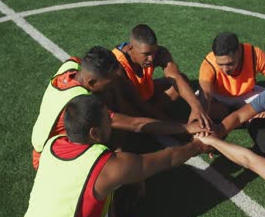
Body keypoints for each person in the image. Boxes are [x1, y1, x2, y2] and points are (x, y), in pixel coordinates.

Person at [22, 95, 210, 217]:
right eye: (107, 121)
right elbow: (167, 159)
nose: (111, 124)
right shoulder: (108, 167)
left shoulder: (52, 143)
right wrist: (197, 146)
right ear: (94, 133)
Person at [31, 46, 207, 169]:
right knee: (119, 167)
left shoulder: (71, 65)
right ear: (91, 82)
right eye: (107, 83)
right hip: (49, 158)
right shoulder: (82, 102)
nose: (111, 85)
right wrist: (185, 128)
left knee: (110, 108)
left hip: (55, 140)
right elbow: (136, 124)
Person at [112, 24, 212, 130]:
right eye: (146, 54)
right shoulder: (117, 66)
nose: (151, 59)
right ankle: (156, 124)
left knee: (182, 80)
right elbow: (137, 102)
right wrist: (176, 127)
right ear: (131, 48)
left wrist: (196, 106)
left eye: (153, 52)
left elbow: (176, 77)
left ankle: (156, 122)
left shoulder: (159, 53)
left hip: (144, 94)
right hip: (130, 104)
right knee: (133, 111)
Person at [198, 32, 265, 121]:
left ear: (239, 51)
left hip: (247, 94)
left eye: (230, 64)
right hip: (217, 96)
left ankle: (238, 115)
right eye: (220, 64)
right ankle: (242, 115)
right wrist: (202, 117)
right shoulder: (209, 63)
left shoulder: (255, 55)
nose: (225, 70)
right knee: (209, 110)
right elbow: (205, 94)